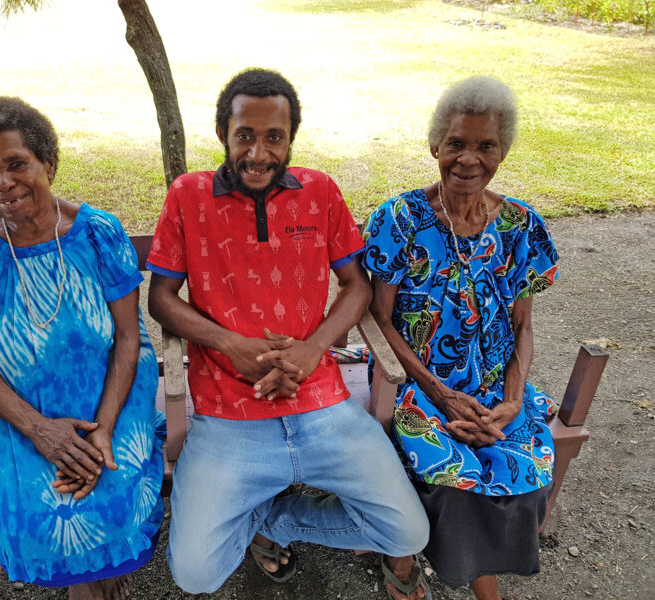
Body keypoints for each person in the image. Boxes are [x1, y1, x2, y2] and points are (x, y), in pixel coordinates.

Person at [147, 68, 431, 600]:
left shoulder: (319, 191)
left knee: (409, 532)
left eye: (273, 137)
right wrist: (231, 343)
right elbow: (160, 298)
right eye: (245, 136)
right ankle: (250, 518)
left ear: (291, 138)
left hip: (320, 400)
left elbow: (357, 286)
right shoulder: (188, 195)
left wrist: (312, 348)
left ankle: (270, 522)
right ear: (223, 136)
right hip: (229, 413)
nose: (258, 152)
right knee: (195, 574)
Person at [0, 97, 164, 600]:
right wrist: (40, 430)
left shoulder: (99, 232)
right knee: (33, 504)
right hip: (9, 409)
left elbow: (129, 338)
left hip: (107, 391)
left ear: (48, 164)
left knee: (110, 482)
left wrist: (103, 427)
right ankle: (90, 579)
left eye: (17, 164)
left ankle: (102, 570)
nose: (3, 183)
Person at [363, 76, 559, 600]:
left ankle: (475, 568)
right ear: (435, 146)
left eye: (485, 146)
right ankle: (421, 568)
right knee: (452, 474)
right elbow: (380, 317)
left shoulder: (521, 227)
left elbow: (522, 325)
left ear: (504, 151)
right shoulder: (399, 220)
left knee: (522, 465)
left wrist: (514, 400)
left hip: (494, 383)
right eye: (456, 144)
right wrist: (440, 392)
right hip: (413, 380)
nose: (468, 159)